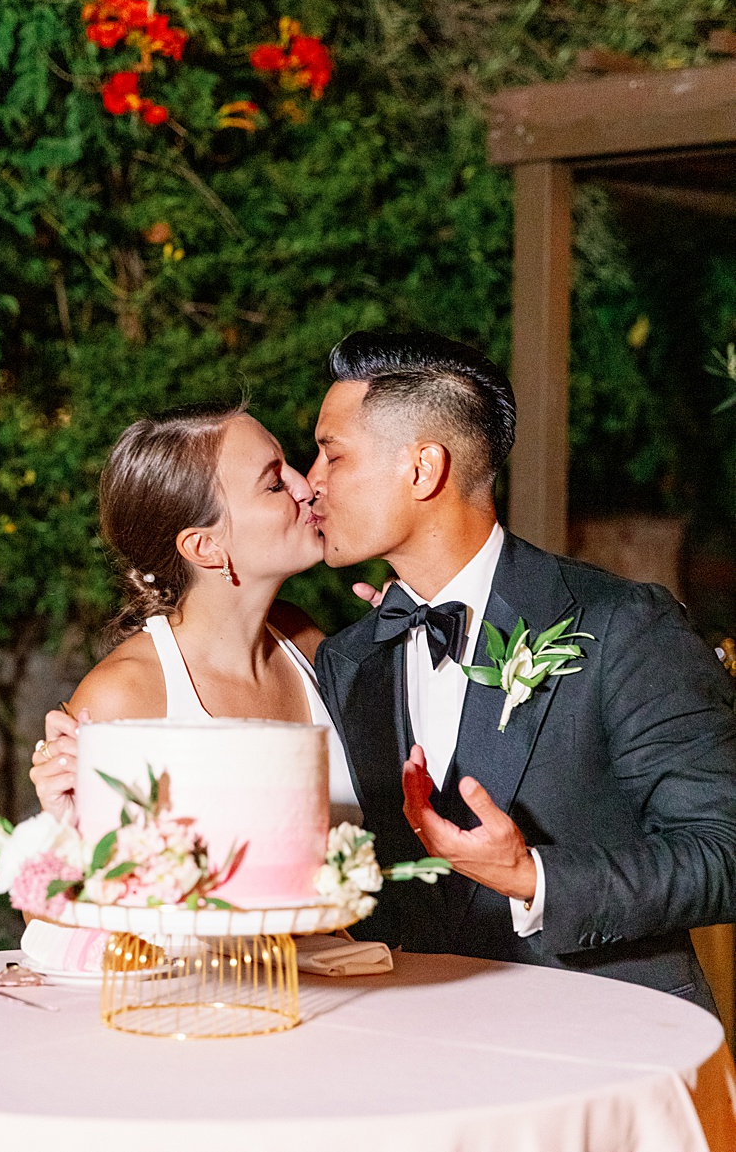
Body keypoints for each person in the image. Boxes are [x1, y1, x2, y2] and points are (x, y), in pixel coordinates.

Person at [309, 329, 736, 1013]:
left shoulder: (623, 625)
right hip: (410, 1044)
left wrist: (533, 875)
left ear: (423, 469)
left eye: (332, 456)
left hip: (608, 1041)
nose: (312, 482)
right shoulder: (348, 659)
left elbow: (723, 850)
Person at [31, 403, 361, 826]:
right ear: (204, 547)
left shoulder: (305, 642)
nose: (306, 487)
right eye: (275, 483)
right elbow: (95, 882)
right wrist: (67, 826)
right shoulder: (122, 698)